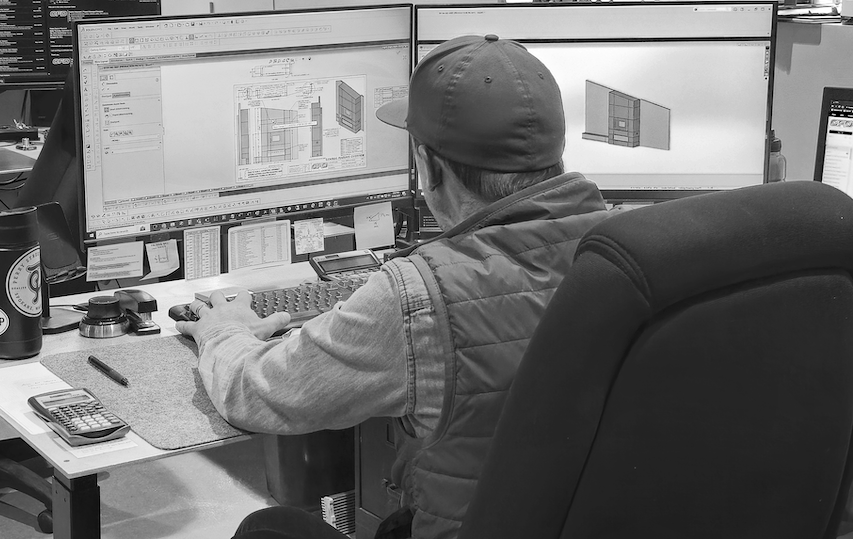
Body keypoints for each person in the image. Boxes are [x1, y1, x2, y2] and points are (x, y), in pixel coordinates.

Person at [175, 34, 610, 539]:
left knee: (266, 530)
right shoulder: (626, 252)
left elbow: (255, 393)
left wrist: (223, 332)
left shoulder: (417, 294)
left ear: (429, 167)